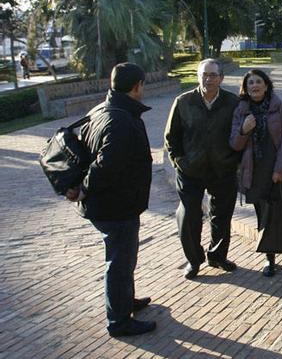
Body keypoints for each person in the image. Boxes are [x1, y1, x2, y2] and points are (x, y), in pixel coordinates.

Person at [69, 62, 155, 337]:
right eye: (143, 85)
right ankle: (119, 321)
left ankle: (125, 301)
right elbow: (105, 165)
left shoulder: (103, 109)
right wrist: (83, 188)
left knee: (124, 259)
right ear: (136, 86)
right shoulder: (120, 119)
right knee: (119, 263)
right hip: (115, 206)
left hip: (114, 203)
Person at [164, 58, 241, 279]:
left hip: (222, 169)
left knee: (222, 216)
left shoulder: (232, 103)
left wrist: (233, 161)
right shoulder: (183, 101)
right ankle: (194, 260)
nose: (208, 79)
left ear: (221, 78)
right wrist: (180, 161)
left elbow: (239, 136)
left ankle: (217, 256)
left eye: (213, 75)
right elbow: (171, 138)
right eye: (204, 75)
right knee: (189, 216)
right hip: (191, 171)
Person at [230, 69, 282, 276]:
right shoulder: (240, 110)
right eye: (250, 82)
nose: (254, 85)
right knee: (264, 215)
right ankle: (269, 257)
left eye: (258, 81)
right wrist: (244, 129)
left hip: (279, 168)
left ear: (266, 85)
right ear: (246, 87)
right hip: (254, 170)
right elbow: (234, 144)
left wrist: (280, 169)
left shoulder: (279, 106)